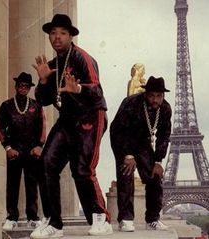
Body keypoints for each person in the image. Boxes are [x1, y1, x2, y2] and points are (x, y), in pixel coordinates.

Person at [30, 14, 112, 238]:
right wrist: (45, 80)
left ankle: (101, 218)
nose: (57, 37)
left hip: (91, 117)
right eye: (53, 33)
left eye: (62, 33)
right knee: (46, 164)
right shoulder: (52, 65)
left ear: (70, 36)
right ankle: (54, 224)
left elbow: (96, 91)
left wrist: (78, 90)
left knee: (82, 169)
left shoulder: (83, 58)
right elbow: (44, 100)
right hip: (67, 119)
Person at [110, 76, 172, 231]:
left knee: (155, 175)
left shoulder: (165, 109)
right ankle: (125, 218)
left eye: (159, 96)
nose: (155, 99)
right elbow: (117, 130)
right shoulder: (130, 103)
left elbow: (164, 134)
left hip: (143, 143)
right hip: (123, 141)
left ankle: (152, 218)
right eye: (151, 95)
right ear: (146, 94)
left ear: (163, 96)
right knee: (126, 175)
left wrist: (158, 160)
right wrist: (127, 155)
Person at [0, 72, 47, 230]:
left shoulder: (36, 106)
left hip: (32, 150)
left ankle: (32, 217)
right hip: (15, 150)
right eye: (20, 85)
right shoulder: (6, 106)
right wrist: (8, 147)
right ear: (16, 86)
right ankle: (12, 218)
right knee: (12, 184)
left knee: (32, 184)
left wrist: (39, 146)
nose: (23, 88)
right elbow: (0, 127)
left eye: (26, 86)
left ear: (29, 88)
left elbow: (43, 127)